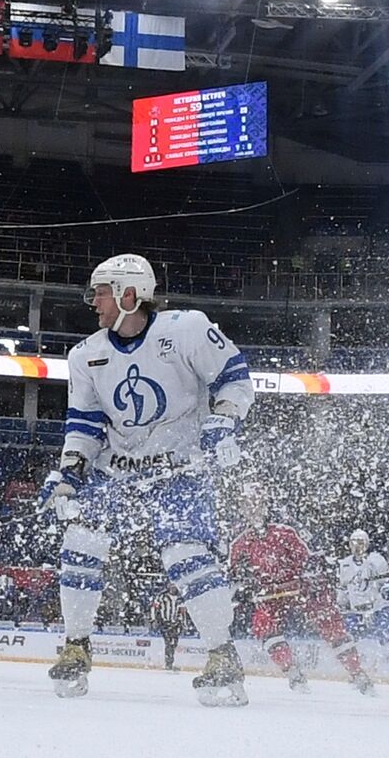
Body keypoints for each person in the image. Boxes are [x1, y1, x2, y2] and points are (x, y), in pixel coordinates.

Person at [37, 253, 253, 705]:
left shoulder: (187, 329)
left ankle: (222, 654)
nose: (92, 300)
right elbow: (84, 426)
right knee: (81, 543)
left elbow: (235, 379)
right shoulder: (85, 355)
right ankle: (76, 647)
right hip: (116, 472)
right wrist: (69, 474)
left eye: (100, 291)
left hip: (179, 469)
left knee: (186, 555)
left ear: (128, 294)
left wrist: (223, 422)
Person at [228, 485, 375, 695]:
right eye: (247, 504)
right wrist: (243, 588)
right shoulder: (239, 543)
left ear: (267, 505)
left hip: (303, 590)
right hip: (270, 596)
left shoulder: (286, 532)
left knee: (329, 622)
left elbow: (311, 561)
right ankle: (293, 673)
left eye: (258, 503)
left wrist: (304, 582)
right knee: (264, 624)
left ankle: (358, 674)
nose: (253, 509)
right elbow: (235, 576)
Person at [338, 530, 389, 664]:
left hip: (376, 607)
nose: (357, 546)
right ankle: (356, 666)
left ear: (367, 544)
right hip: (355, 610)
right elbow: (343, 587)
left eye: (360, 543)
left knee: (388, 632)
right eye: (354, 543)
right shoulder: (345, 564)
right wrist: (341, 600)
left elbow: (387, 581)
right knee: (346, 637)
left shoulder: (376, 560)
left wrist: (387, 592)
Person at [149, 584, 186, 671]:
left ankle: (169, 662)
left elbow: (182, 612)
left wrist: (183, 624)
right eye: (171, 586)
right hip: (165, 623)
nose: (173, 588)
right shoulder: (162, 596)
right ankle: (169, 663)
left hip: (176, 623)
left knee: (174, 644)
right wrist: (153, 619)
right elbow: (154, 607)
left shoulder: (180, 598)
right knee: (169, 643)